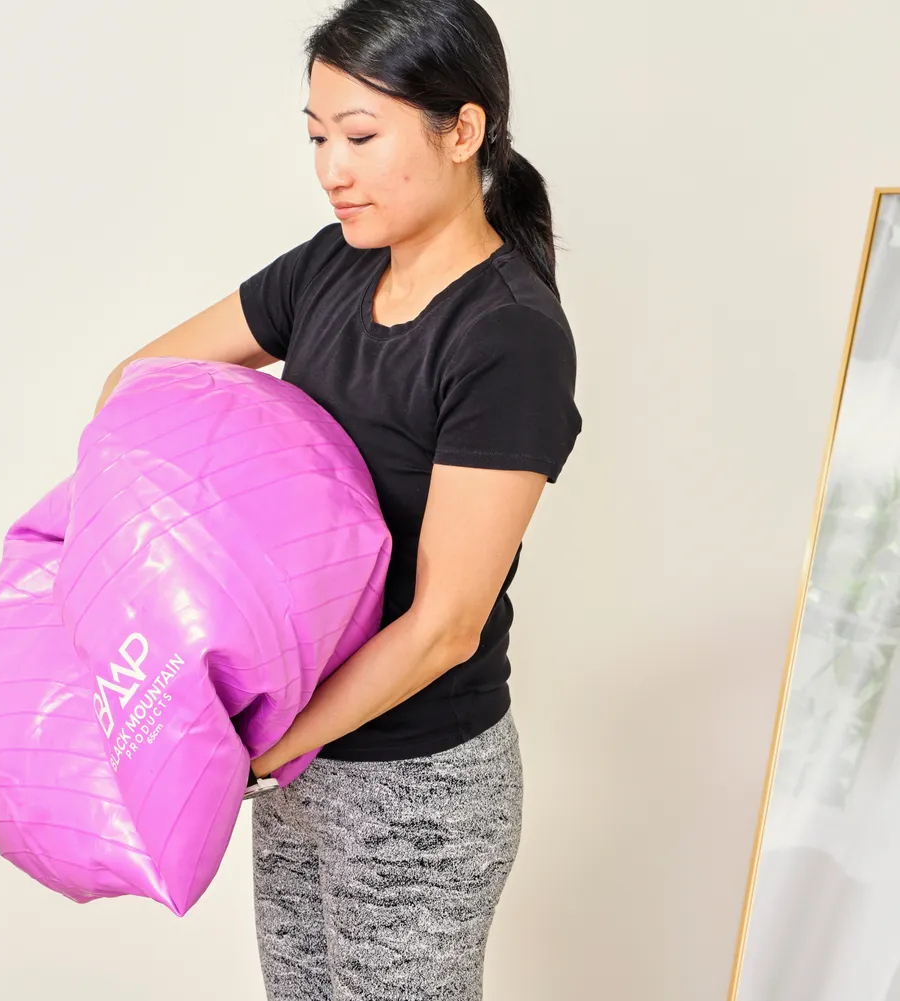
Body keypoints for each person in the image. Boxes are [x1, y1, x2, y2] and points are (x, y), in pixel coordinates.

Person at [94, 0, 581, 996]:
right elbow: (137, 387)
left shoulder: (509, 334)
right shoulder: (329, 266)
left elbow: (446, 625)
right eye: (318, 137)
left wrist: (272, 739)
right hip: (298, 769)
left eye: (360, 136)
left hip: (416, 787)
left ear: (464, 129)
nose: (331, 170)